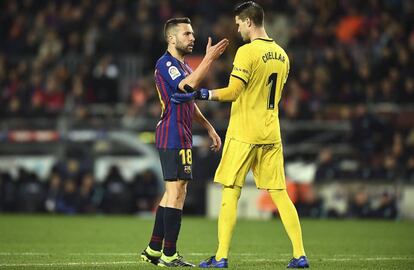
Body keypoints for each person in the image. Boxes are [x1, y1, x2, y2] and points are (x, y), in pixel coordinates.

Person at [171, 2, 309, 268]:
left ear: (248, 22)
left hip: (245, 132)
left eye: (238, 23)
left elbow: (234, 92)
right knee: (280, 194)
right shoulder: (282, 55)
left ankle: (221, 257)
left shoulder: (247, 52)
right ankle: (300, 254)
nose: (237, 28)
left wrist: (201, 94)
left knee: (231, 192)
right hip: (271, 132)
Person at [140, 17, 228, 267]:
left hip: (182, 132)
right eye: (187, 34)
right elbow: (186, 86)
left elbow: (188, 98)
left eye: (192, 34)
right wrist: (209, 58)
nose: (192, 38)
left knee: (175, 192)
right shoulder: (166, 63)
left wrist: (209, 127)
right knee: (176, 192)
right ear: (171, 38)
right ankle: (169, 254)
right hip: (171, 132)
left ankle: (153, 250)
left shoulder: (184, 66)